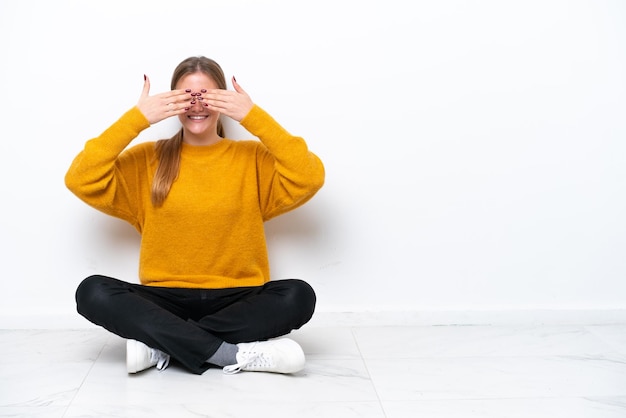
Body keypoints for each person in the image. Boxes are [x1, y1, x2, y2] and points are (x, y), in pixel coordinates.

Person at [64, 56, 325, 375]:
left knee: (298, 295)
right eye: (187, 97)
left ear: (225, 102)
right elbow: (79, 178)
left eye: (207, 96)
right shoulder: (148, 160)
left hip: (238, 298)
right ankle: (230, 354)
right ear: (171, 102)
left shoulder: (252, 159)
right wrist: (137, 119)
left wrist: (253, 117)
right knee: (92, 292)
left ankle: (162, 345)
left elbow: (309, 175)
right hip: (164, 298)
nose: (197, 105)